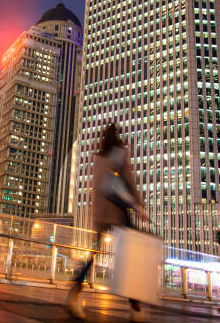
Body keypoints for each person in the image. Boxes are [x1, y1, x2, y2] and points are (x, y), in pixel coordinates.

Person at [66, 123, 149, 322]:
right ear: (117, 136)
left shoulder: (98, 157)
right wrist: (139, 205)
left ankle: (75, 292)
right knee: (129, 258)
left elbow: (96, 186)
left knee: (93, 255)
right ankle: (135, 307)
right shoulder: (120, 153)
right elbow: (129, 180)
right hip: (117, 213)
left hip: (99, 214)